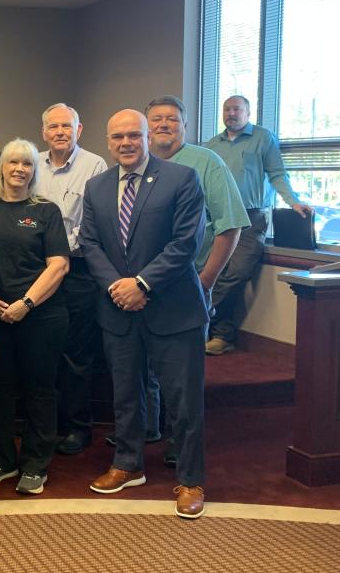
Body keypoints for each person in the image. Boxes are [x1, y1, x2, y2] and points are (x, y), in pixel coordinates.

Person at [80, 110, 208, 519]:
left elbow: (186, 242)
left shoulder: (181, 178)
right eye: (117, 136)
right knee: (126, 394)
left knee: (182, 399)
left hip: (173, 308)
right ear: (107, 140)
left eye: (134, 135)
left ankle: (190, 479)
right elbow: (90, 244)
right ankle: (128, 463)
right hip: (118, 308)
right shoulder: (96, 186)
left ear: (148, 136)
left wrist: (142, 284)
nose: (126, 143)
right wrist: (119, 287)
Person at [146, 95, 250, 465]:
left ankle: (180, 445)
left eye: (172, 119)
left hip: (187, 285)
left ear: (185, 125)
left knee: (182, 375)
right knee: (144, 369)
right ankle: (148, 430)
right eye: (156, 118)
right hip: (141, 289)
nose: (163, 124)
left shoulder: (207, 163)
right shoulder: (137, 163)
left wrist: (205, 282)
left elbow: (230, 226)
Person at [0, 139, 70, 495]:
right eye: (13, 162)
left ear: (34, 170)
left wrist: (26, 303)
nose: (20, 169)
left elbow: (59, 265)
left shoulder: (46, 211)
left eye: (27, 164)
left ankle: (34, 464)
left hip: (42, 317)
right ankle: (1, 459)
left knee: (39, 391)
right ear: (2, 167)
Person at [204, 95, 313, 354]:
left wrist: (294, 202)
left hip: (252, 219)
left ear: (248, 112)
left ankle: (198, 317)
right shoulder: (211, 145)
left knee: (236, 274)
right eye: (227, 109)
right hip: (217, 217)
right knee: (213, 271)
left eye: (237, 109)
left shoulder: (264, 138)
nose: (231, 113)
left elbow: (277, 173)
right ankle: (222, 336)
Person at [36, 103, 107, 455]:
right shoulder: (31, 163)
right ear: (44, 131)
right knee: (42, 350)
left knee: (77, 352)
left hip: (78, 271)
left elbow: (96, 222)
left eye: (67, 126)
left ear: (79, 130)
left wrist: (58, 248)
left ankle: (78, 427)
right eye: (53, 126)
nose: (60, 132)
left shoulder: (95, 165)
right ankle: (46, 425)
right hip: (36, 272)